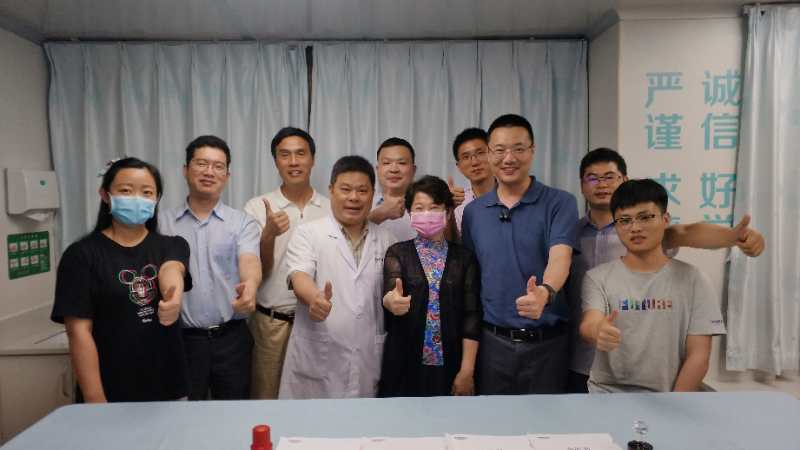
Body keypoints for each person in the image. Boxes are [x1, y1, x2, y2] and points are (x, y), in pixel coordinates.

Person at [565, 148, 766, 393]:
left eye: (609, 177)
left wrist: (733, 237)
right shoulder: (568, 234)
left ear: (624, 180)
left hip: (655, 370)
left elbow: (688, 232)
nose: (601, 184)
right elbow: (589, 321)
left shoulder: (653, 234)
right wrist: (596, 329)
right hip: (584, 360)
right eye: (592, 178)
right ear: (582, 185)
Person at [51, 157, 191, 402]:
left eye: (147, 192)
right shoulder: (81, 255)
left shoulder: (172, 245)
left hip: (169, 385)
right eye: (126, 190)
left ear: (157, 198)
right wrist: (96, 400)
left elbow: (172, 270)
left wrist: (174, 297)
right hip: (110, 387)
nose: (137, 198)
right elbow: (79, 332)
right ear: (105, 195)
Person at [461, 114, 579, 394]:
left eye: (518, 149)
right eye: (500, 150)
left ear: (532, 151)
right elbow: (470, 279)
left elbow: (561, 257)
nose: (509, 158)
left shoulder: (560, 202)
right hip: (493, 344)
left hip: (548, 344)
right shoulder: (474, 212)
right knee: (493, 420)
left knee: (547, 420)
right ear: (489, 154)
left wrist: (545, 292)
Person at [579, 179, 727, 392]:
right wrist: (598, 331)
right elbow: (590, 323)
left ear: (665, 219)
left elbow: (699, 355)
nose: (635, 228)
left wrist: (673, 404)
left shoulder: (694, 279)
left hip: (672, 396)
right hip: (608, 394)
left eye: (645, 217)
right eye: (624, 220)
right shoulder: (597, 277)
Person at [279, 155, 398, 399]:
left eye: (362, 190)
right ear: (331, 190)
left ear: (372, 194)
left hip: (367, 357)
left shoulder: (387, 240)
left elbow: (391, 289)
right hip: (318, 357)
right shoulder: (308, 233)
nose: (354, 197)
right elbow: (299, 275)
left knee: (362, 421)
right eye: (345, 189)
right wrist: (314, 299)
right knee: (311, 422)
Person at [159, 135, 262, 400]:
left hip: (231, 338)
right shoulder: (161, 224)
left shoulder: (243, 223)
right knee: (180, 413)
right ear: (186, 170)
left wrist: (250, 286)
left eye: (218, 166)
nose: (209, 172)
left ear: (227, 175)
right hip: (180, 339)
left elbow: (249, 260)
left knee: (233, 413)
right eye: (202, 163)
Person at [243, 127, 330, 399]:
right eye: (285, 155)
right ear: (276, 161)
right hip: (272, 323)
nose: (293, 162)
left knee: (316, 400)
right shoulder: (257, 207)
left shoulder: (331, 208)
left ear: (312, 159)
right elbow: (259, 272)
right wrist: (268, 235)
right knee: (266, 399)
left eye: (300, 154)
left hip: (318, 323)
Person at [380, 175, 482, 397]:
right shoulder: (397, 253)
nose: (427, 214)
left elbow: (472, 316)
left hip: (452, 362)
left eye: (434, 208)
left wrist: (467, 371)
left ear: (448, 213)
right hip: (404, 362)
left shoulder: (464, 258)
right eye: (419, 208)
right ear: (410, 213)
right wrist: (391, 301)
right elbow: (390, 290)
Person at [368, 137, 417, 241]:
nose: (394, 170)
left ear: (413, 170)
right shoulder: (363, 204)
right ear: (377, 169)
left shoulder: (427, 208)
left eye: (402, 163)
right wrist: (379, 214)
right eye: (386, 163)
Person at [449, 128, 495, 235]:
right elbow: (454, 243)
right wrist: (450, 210)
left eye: (480, 153)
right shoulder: (458, 203)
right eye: (466, 157)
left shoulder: (512, 195)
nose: (474, 162)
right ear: (459, 166)